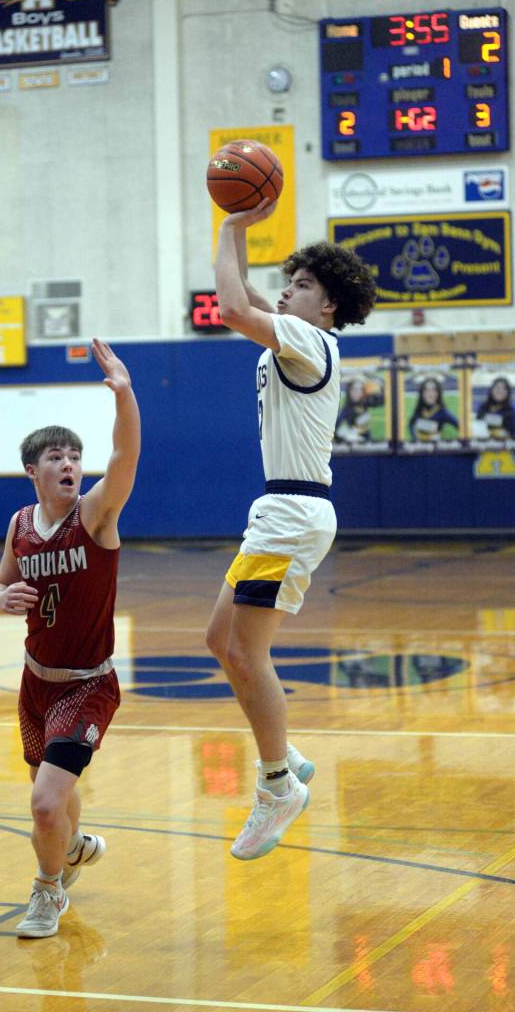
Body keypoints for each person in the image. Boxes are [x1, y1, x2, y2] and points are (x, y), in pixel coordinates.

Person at [205, 199, 376, 861]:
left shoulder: (308, 340)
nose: (287, 291)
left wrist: (228, 228)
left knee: (246, 653)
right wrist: (236, 244)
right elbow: (245, 293)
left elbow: (230, 309)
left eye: (302, 284)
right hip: (279, 510)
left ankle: (276, 783)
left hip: (292, 514)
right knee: (220, 639)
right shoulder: (299, 330)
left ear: (327, 305)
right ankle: (285, 753)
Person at [0, 338, 140, 939]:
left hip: (87, 684)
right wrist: (4, 599)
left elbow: (125, 455)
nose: (71, 463)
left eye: (76, 455)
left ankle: (48, 891)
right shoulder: (20, 524)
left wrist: (123, 395)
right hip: (34, 683)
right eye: (58, 456)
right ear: (34, 471)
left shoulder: (97, 515)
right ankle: (73, 849)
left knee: (45, 803)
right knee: (54, 801)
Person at [334, 376, 384, 444]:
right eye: (354, 389)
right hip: (357, 448)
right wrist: (349, 437)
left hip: (368, 443)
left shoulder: (364, 404)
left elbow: (382, 401)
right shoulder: (346, 411)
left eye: (360, 389)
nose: (357, 392)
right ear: (349, 391)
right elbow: (336, 432)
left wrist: (380, 384)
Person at [408, 376, 458, 442]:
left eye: (434, 390)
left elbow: (461, 427)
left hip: (435, 449)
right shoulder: (419, 410)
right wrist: (415, 437)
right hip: (418, 449)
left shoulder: (443, 412)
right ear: (422, 393)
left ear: (438, 393)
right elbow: (411, 424)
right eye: (427, 390)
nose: (430, 393)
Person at [475, 376, 515, 441]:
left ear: (508, 392)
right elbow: (478, 426)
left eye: (504, 389)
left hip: (507, 447)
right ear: (492, 390)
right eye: (497, 388)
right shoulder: (484, 407)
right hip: (484, 445)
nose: (500, 391)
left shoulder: (511, 410)